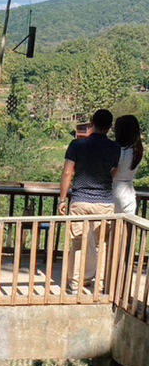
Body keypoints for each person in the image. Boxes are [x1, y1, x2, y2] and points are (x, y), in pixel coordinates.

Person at [59, 108, 120, 293]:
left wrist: (62, 199)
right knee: (101, 245)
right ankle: (99, 285)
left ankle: (75, 285)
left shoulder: (77, 145)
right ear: (109, 127)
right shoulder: (114, 148)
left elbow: (68, 172)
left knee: (78, 243)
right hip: (104, 202)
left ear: (92, 123)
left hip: (80, 201)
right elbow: (114, 173)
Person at [112, 114, 143, 214]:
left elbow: (111, 172)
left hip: (113, 192)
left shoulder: (117, 150)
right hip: (129, 194)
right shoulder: (137, 151)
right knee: (125, 228)